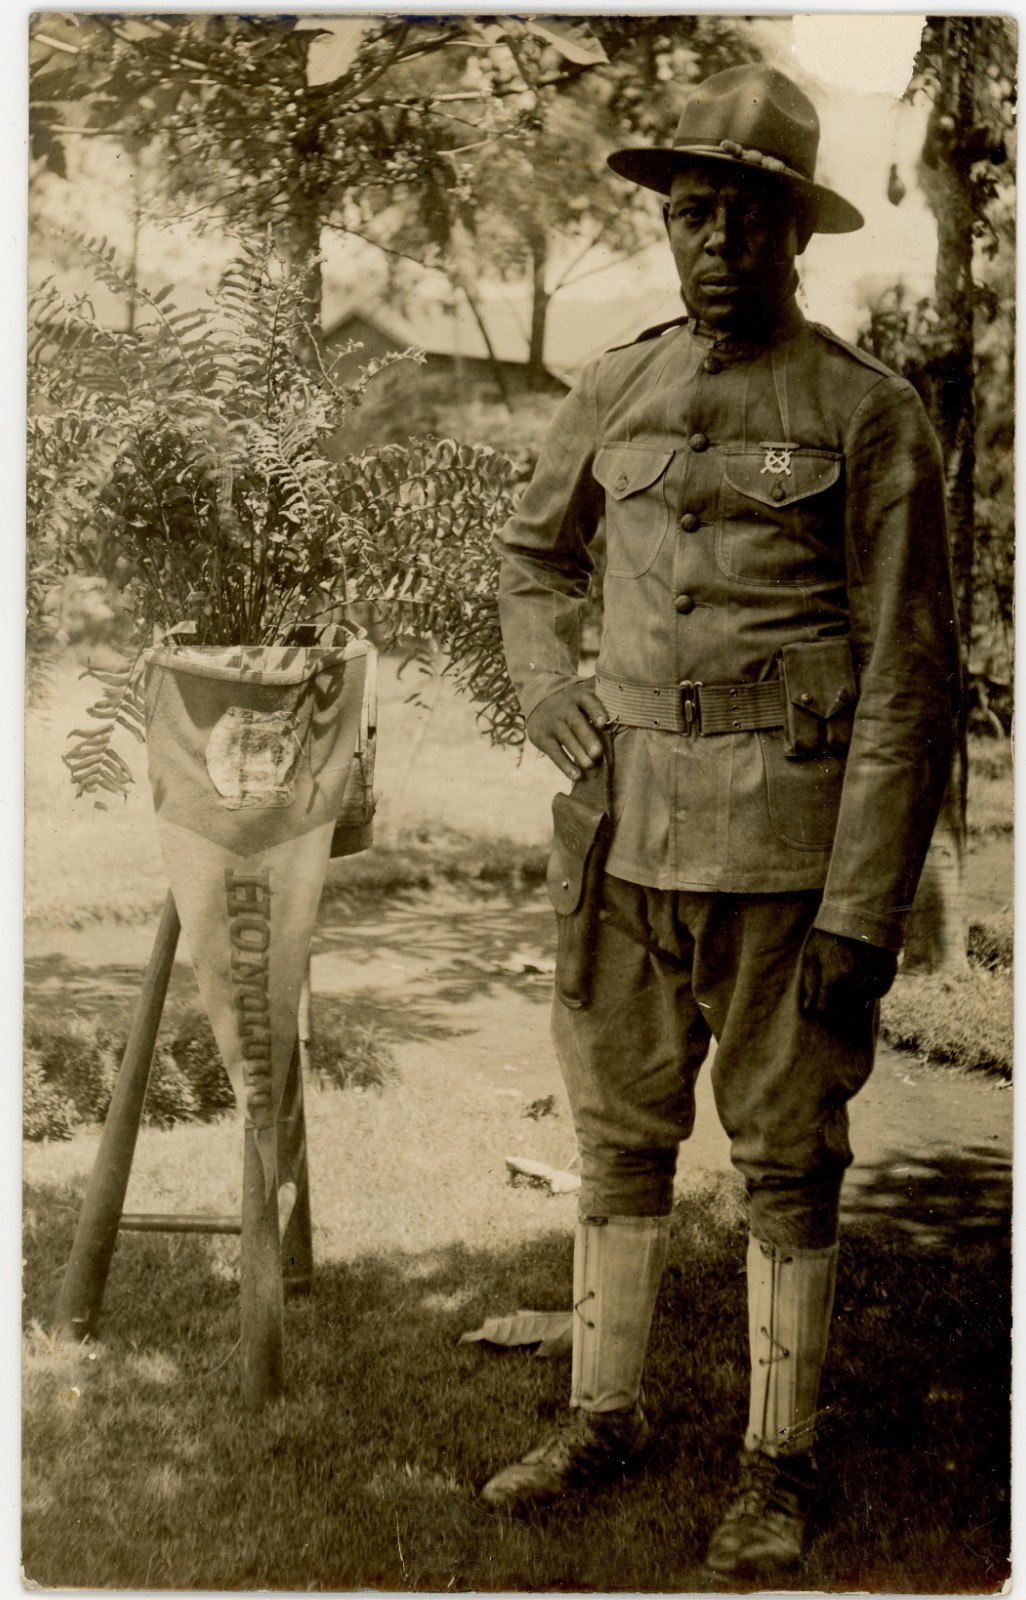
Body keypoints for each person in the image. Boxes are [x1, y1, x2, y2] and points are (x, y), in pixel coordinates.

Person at [481, 64, 960, 1578]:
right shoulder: (614, 385)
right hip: (620, 837)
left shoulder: (866, 414)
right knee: (617, 1136)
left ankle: (778, 1463)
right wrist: (547, 688)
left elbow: (910, 684)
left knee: (785, 1158)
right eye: (693, 213)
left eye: (747, 219)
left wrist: (861, 908)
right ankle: (603, 1414)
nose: (716, 243)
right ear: (669, 223)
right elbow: (530, 561)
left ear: (794, 233)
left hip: (782, 853)